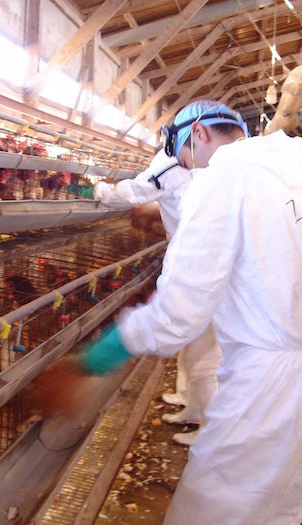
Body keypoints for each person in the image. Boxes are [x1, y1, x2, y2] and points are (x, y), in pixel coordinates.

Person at [82, 99, 302, 524]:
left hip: (268, 391)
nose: (185, 168)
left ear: (197, 134)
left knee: (206, 514)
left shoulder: (221, 178)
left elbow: (180, 312)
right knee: (279, 515)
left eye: (181, 156)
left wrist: (104, 353)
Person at [93, 149, 221, 446]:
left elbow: (136, 190)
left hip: (206, 276)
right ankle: (192, 407)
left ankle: (211, 431)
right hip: (200, 270)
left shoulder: (174, 163)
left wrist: (100, 190)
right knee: (194, 353)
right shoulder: (205, 170)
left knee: (205, 363)